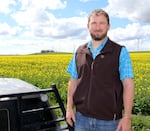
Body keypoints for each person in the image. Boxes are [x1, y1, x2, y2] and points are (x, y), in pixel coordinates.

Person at [66, 9, 134, 131]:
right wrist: (69, 108)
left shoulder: (120, 51)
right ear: (88, 26)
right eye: (94, 23)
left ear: (108, 26)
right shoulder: (79, 51)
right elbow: (73, 81)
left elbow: (128, 85)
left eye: (102, 23)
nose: (97, 27)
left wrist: (127, 117)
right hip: (81, 119)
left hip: (109, 122)